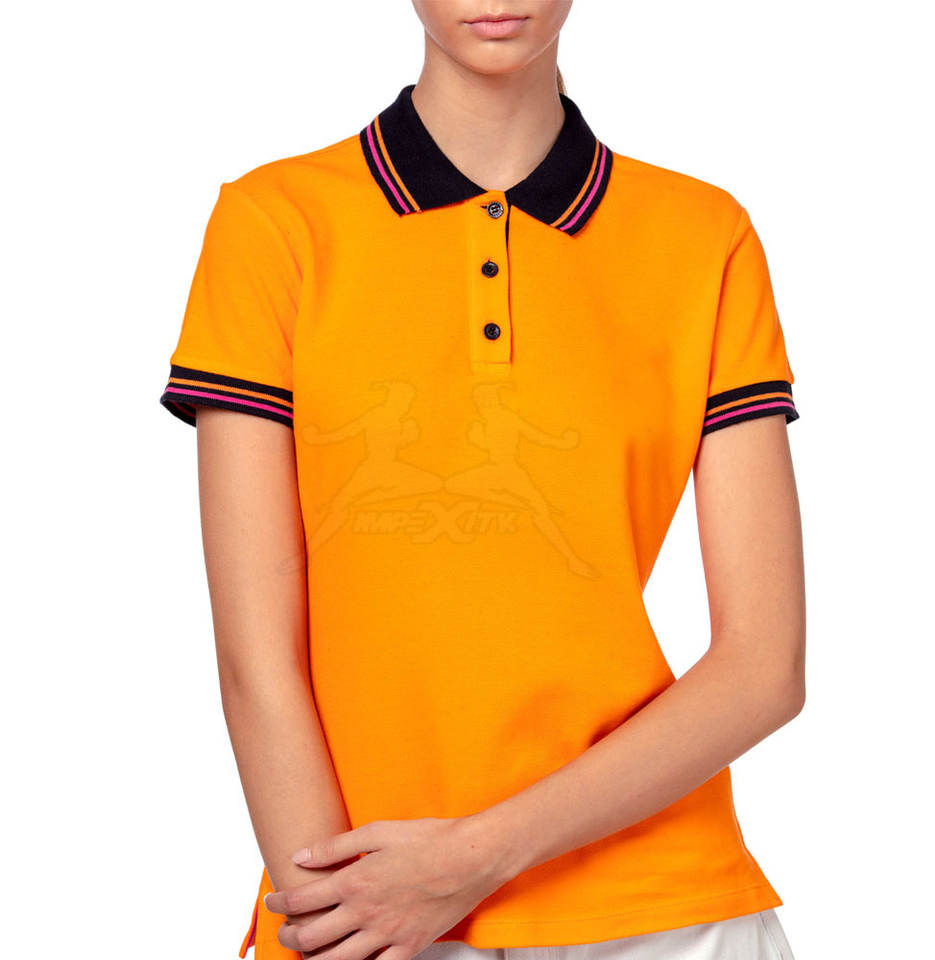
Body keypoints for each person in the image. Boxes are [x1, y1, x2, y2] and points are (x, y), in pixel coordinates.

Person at [159, 3, 805, 959]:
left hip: (663, 913)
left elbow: (765, 668)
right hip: (363, 903)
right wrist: (337, 919)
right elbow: (256, 662)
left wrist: (472, 859)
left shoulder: (705, 235)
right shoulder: (276, 223)